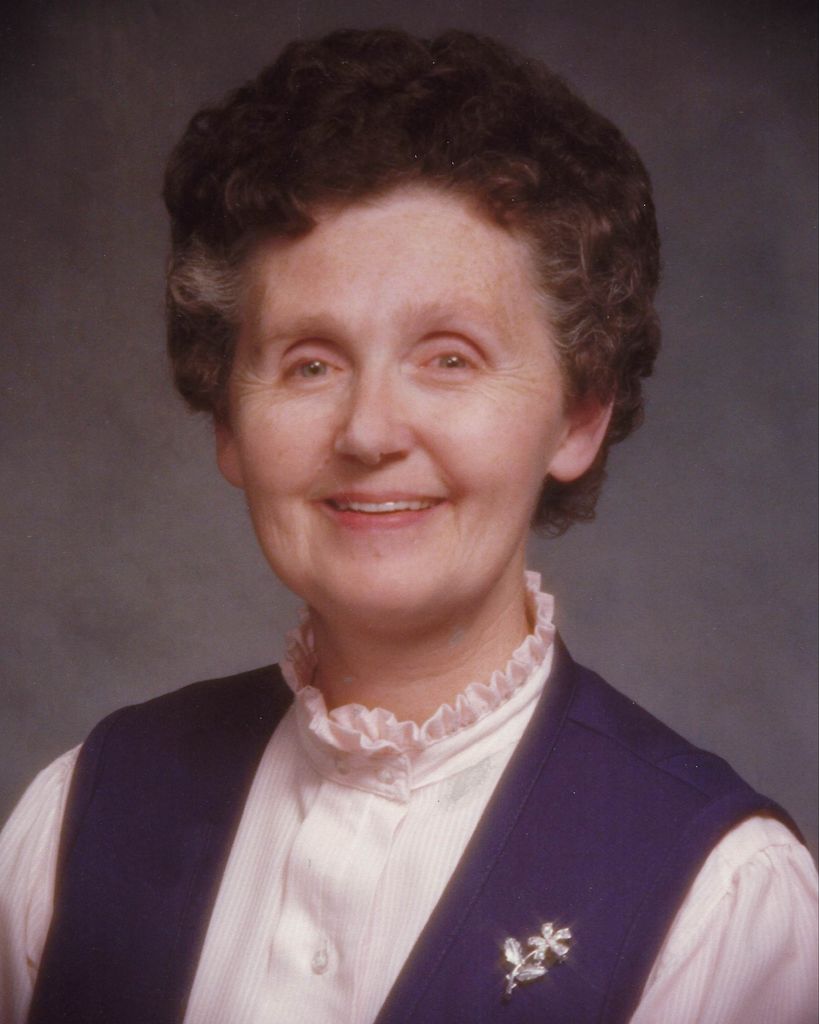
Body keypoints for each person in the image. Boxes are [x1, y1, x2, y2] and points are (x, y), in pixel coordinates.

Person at [0, 27, 816, 1024]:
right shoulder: (77, 816)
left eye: (449, 358)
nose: (369, 431)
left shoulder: (723, 902)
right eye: (309, 363)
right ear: (227, 422)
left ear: (579, 414)